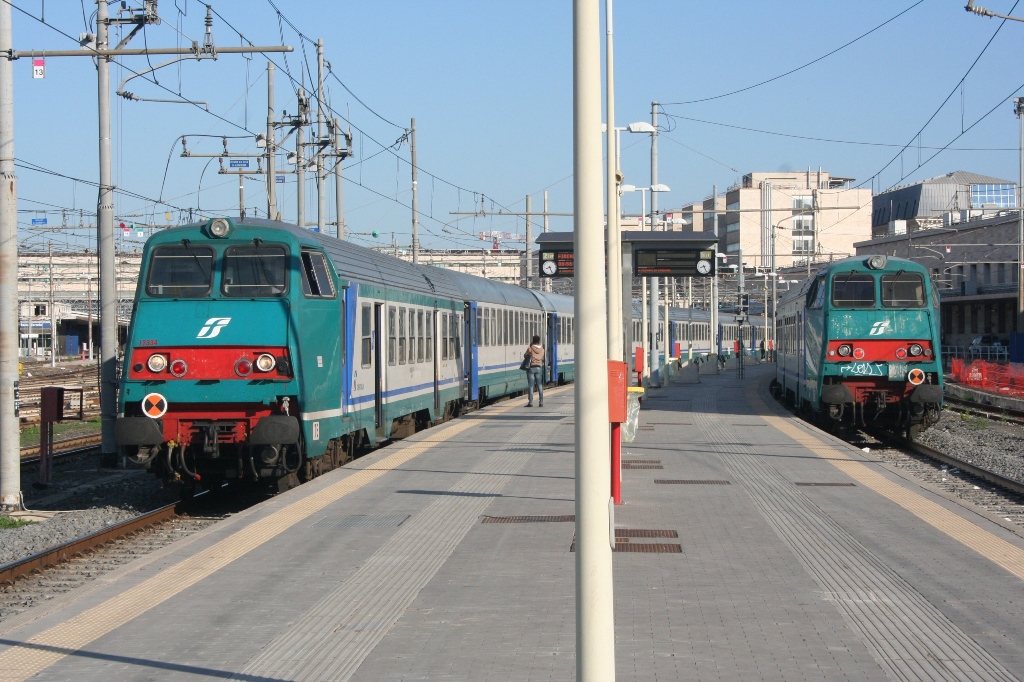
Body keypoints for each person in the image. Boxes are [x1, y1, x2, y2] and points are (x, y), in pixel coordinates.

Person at [524, 335, 545, 407]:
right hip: (539, 367)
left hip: (531, 368)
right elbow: (542, 357)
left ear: (533, 340)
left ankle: (530, 402)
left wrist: (530, 349)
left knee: (531, 385)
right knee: (539, 385)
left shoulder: (530, 348)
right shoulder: (542, 349)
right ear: (539, 341)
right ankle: (541, 402)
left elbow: (525, 355)